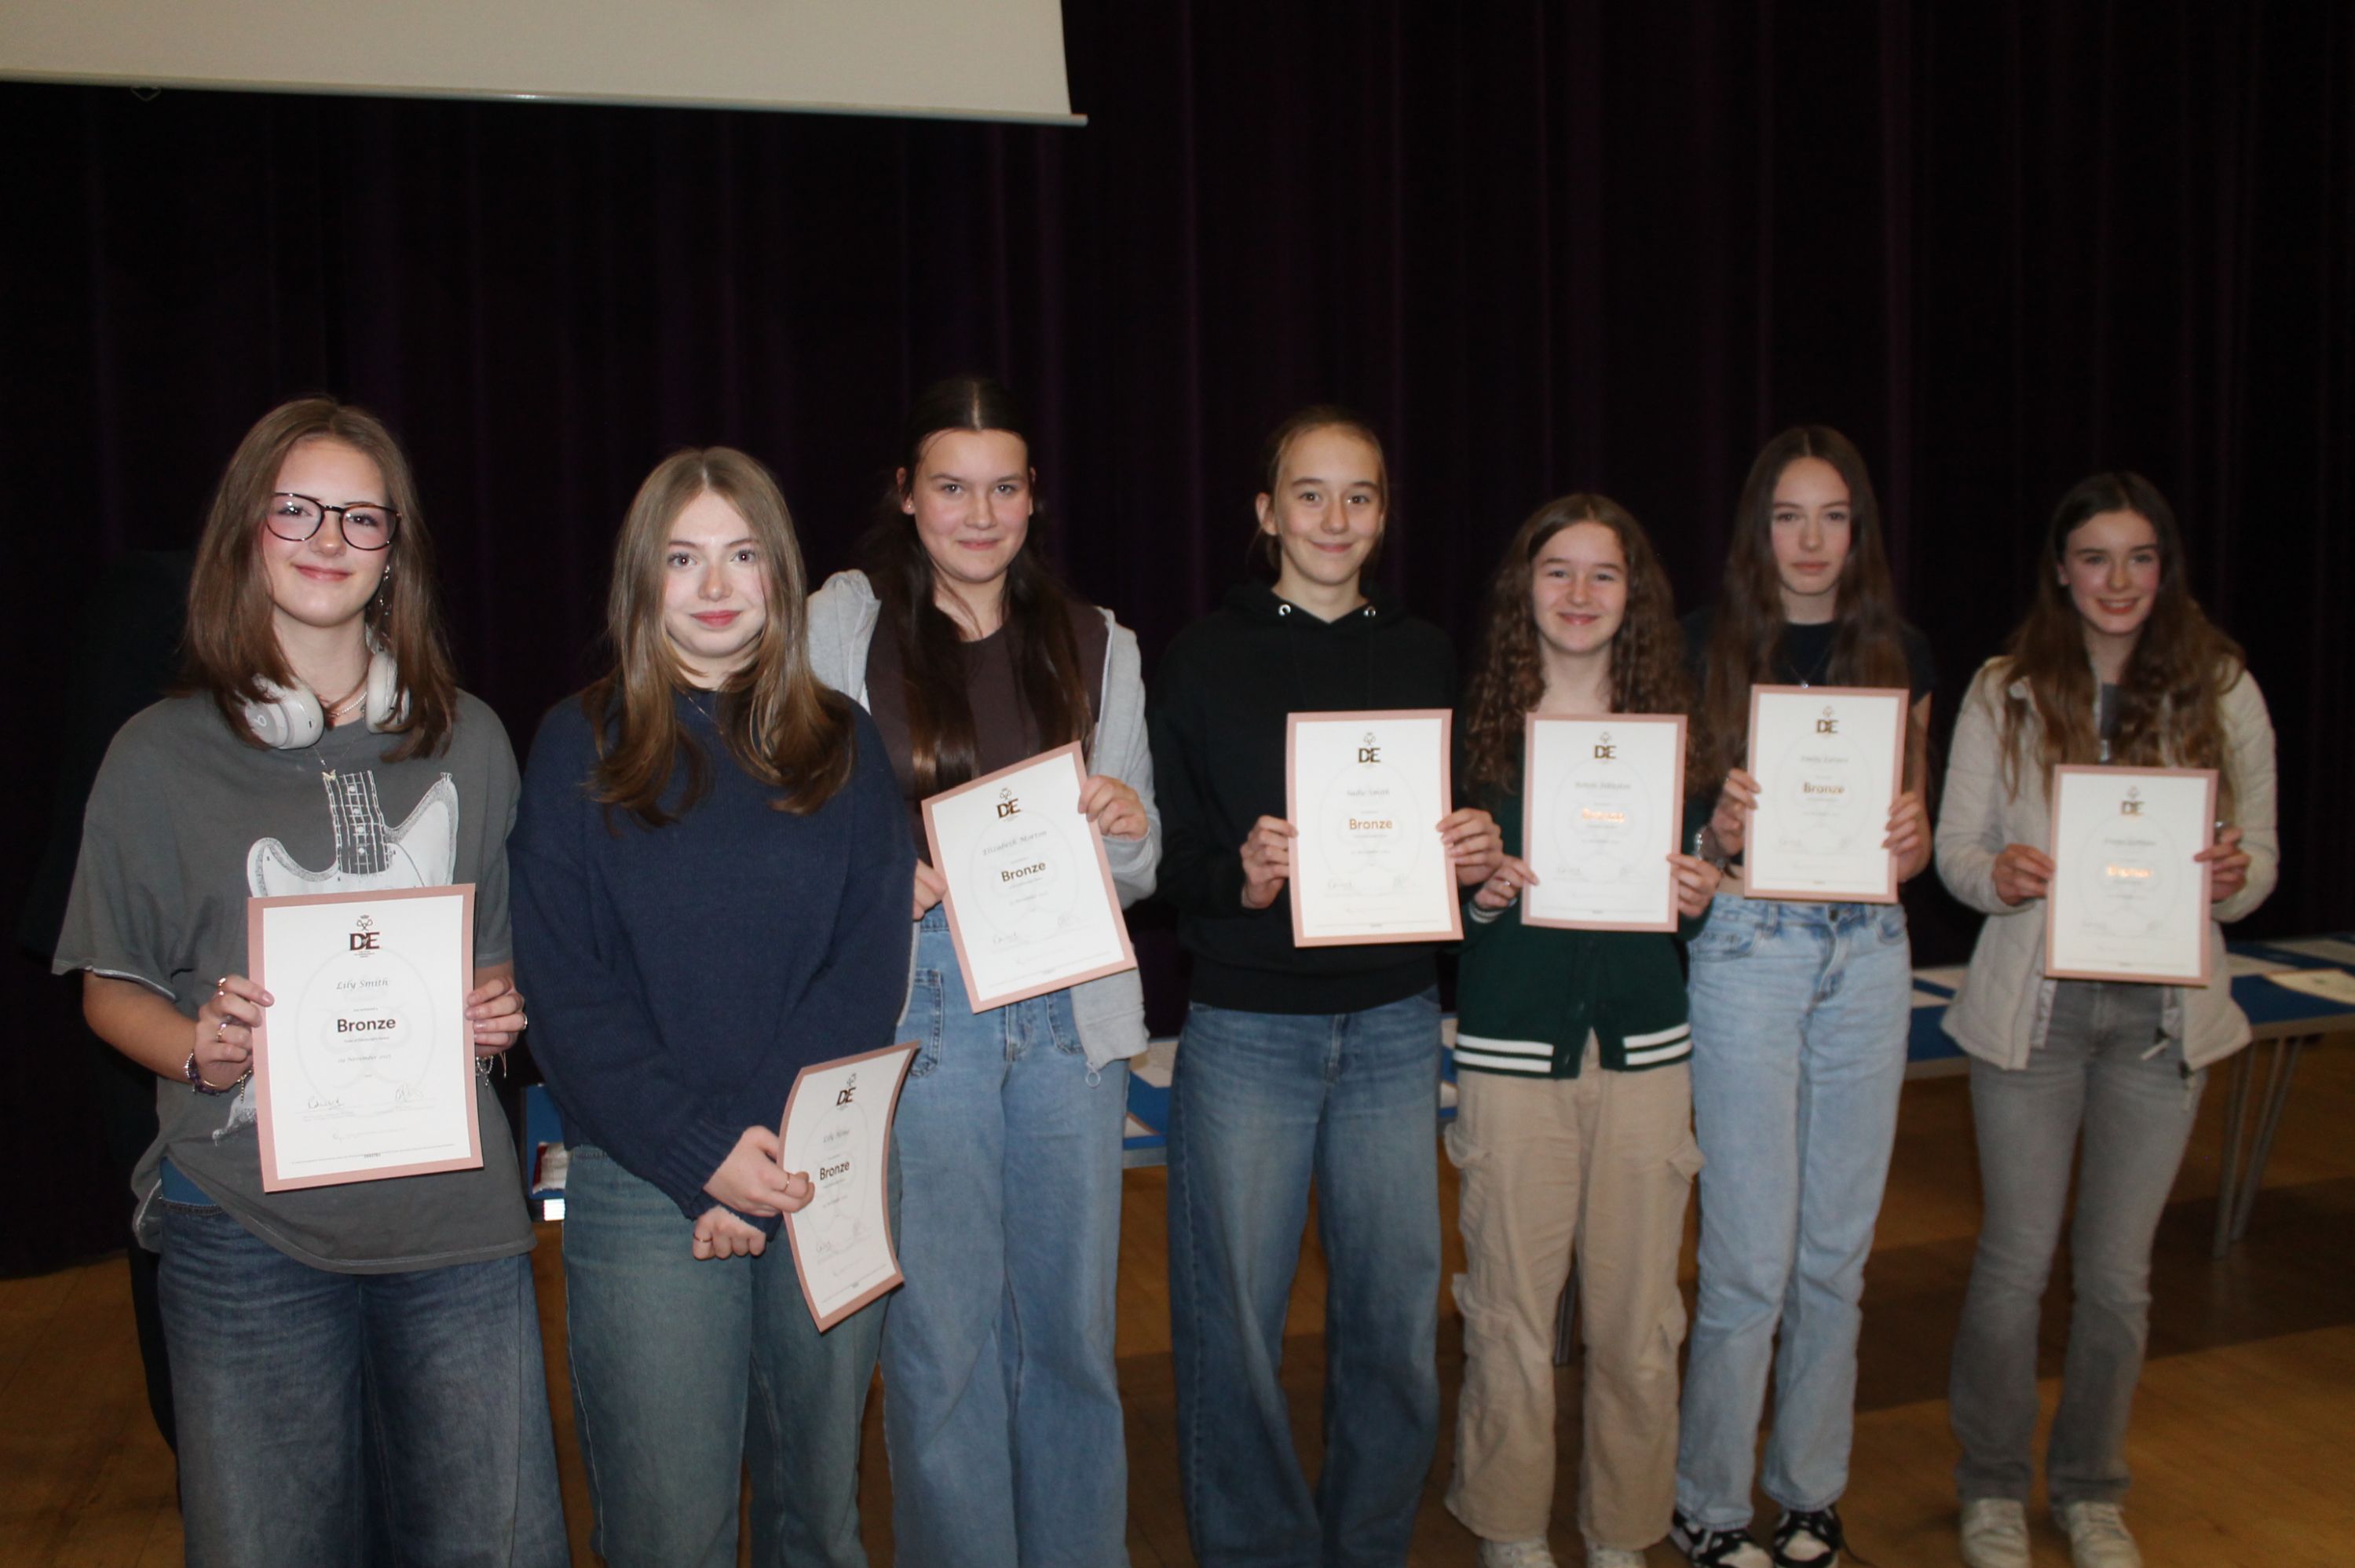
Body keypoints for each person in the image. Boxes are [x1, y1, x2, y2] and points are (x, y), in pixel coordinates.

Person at [55, 396, 565, 1565]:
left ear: (394, 558)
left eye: (362, 518)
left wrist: (495, 1010)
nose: (328, 538)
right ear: (248, 532)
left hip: (454, 1229)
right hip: (245, 1230)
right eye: (298, 509)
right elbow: (107, 986)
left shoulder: (470, 739)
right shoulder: (154, 754)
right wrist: (198, 1046)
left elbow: (487, 957)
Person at [510, 447, 912, 1568]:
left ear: (780, 575)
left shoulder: (845, 744)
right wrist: (703, 1157)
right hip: (646, 1189)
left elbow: (866, 965)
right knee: (665, 1533)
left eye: (741, 554)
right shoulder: (574, 744)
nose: (716, 583)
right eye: (684, 558)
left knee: (815, 1521)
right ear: (643, 581)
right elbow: (566, 989)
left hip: (818, 1173)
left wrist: (756, 1151)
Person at [803, 375, 1158, 1567]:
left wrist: (1123, 819)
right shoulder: (844, 620)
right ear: (907, 497)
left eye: (1003, 486)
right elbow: (788, 800)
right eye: (951, 486)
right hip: (925, 998)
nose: (979, 510)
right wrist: (867, 875)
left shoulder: (1100, 637)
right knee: (943, 1345)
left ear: (1033, 499)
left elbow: (1146, 859)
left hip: (1069, 1011)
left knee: (1070, 1339)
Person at [1146, 405, 1503, 1567]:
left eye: (1359, 495)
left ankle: (1367, 1546)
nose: (1335, 517)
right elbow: (1171, 860)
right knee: (1237, 1328)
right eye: (1310, 493)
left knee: (1396, 1324)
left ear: (1385, 515)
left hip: (1399, 1021)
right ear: (1266, 513)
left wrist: (1465, 845)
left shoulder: (1425, 651)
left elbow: (1448, 825)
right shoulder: (1201, 655)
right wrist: (1238, 875)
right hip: (1249, 1026)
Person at [1936, 473, 2275, 1568]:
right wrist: (2006, 870)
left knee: (2120, 1278)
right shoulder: (2007, 688)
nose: (2118, 579)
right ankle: (1990, 1486)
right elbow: (1956, 854)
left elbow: (2259, 861)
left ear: (2164, 568)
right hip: (2033, 1020)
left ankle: (2089, 1489)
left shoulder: (2224, 687)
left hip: (2159, 1026)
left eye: (2138, 557)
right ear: (2062, 570)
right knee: (2015, 1262)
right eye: (2094, 556)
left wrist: (2229, 872)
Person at [1673, 426, 1936, 1568]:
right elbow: (1668, 840)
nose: (1813, 539)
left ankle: (1810, 1492)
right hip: (1748, 946)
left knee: (1836, 1251)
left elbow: (1907, 836)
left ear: (1859, 531)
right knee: (1744, 1259)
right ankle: (1710, 1504)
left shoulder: (1903, 651)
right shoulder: (1701, 645)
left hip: (1869, 952)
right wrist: (1714, 828)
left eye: (1834, 516)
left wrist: (1914, 840)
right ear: (1758, 529)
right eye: (1790, 515)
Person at [1446, 495, 1723, 1568]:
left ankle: (1621, 1531)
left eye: (1602, 575)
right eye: (1555, 571)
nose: (1577, 594)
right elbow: (1446, 910)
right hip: (1514, 1056)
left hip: (1649, 1053)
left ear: (1633, 597)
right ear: (1525, 589)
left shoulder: (1678, 739)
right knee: (1509, 1312)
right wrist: (1477, 892)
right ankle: (1511, 1526)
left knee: (1641, 1321)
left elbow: (1695, 882)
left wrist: (1704, 883)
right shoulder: (1471, 736)